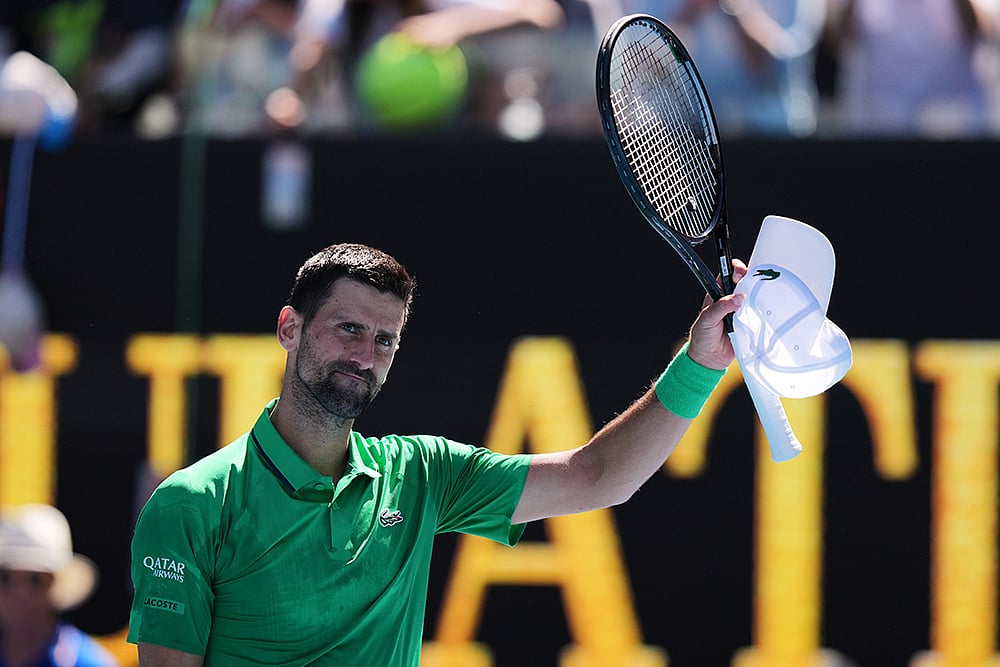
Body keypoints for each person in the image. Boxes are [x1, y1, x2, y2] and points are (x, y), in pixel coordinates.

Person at [127, 242, 747, 665]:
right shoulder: (190, 504)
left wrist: (701, 364)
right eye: (348, 328)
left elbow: (597, 476)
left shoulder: (421, 472)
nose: (365, 356)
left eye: (385, 340)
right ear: (289, 328)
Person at [0, 504, 119, 667]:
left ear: (58, 585)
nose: (21, 591)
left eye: (36, 579)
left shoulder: (89, 663)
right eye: (5, 577)